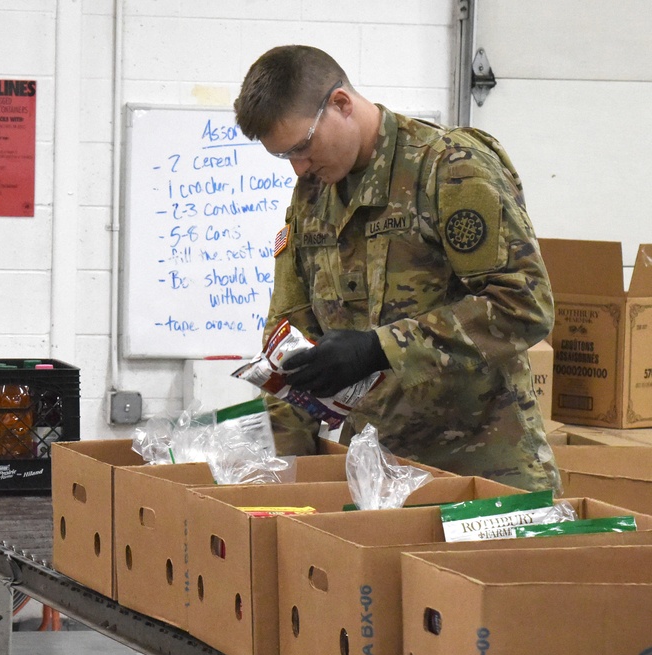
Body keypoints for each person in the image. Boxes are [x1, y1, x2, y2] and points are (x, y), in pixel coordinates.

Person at [234, 45, 559, 492]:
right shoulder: (313, 194)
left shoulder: (448, 169)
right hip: (375, 473)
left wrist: (379, 348)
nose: (298, 168)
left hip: (482, 471)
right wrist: (282, 476)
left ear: (342, 104)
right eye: (284, 156)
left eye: (304, 147)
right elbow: (292, 339)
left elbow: (525, 306)